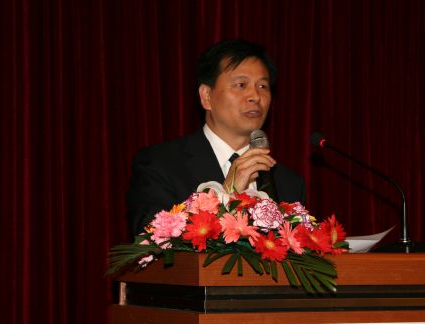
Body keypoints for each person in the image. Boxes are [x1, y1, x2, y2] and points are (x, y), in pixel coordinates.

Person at [126, 39, 306, 235]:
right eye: (241, 85)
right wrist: (228, 194)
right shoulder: (160, 165)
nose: (255, 96)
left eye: (263, 86)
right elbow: (153, 239)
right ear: (206, 96)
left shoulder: (288, 183)